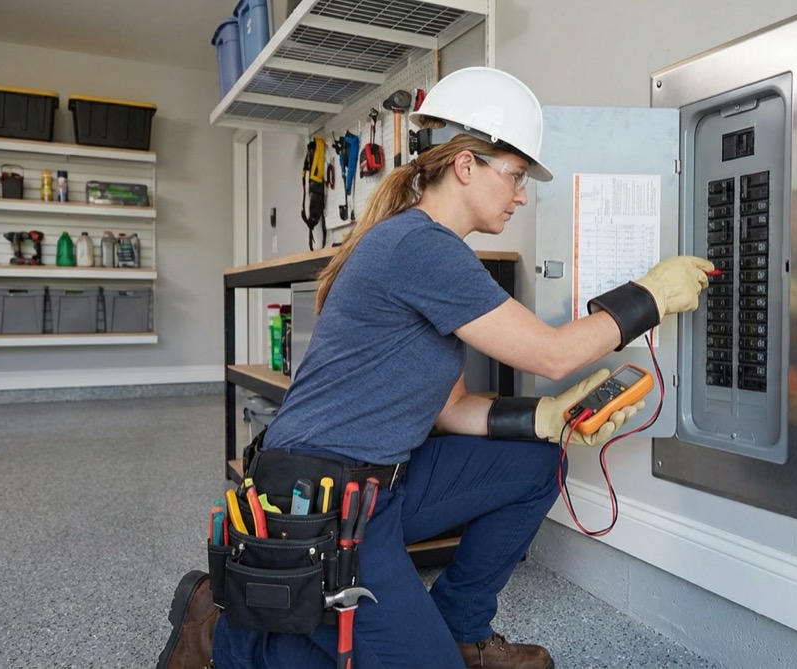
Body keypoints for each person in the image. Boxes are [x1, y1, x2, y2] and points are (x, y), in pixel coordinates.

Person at [160, 66, 714, 669]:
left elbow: (450, 410)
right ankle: (225, 630)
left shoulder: (431, 250)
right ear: (466, 165)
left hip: (382, 484)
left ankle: (460, 631)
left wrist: (548, 417)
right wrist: (652, 295)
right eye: (517, 176)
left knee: (534, 460)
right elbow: (553, 352)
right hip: (318, 502)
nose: (522, 194)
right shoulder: (422, 247)